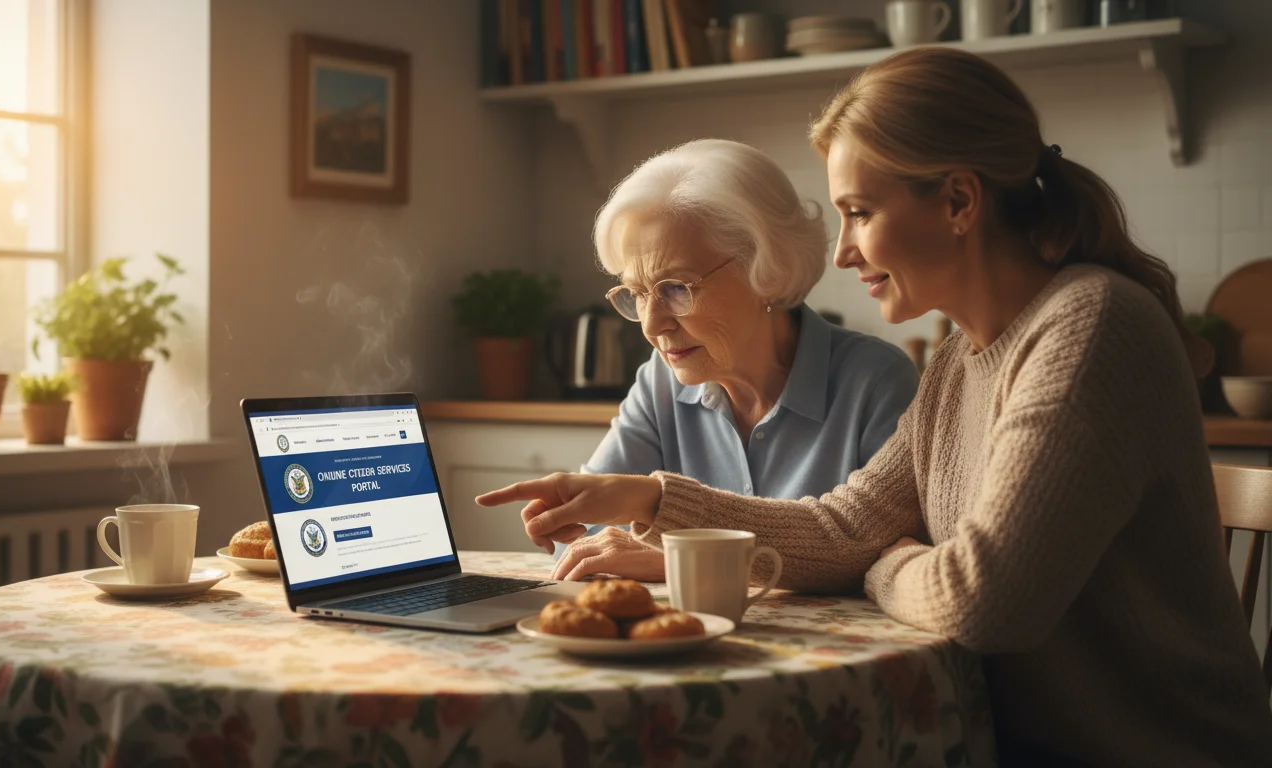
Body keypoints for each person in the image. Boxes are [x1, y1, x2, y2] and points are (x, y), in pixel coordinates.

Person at [481, 48, 1272, 765]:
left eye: (859, 212)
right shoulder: (964, 353)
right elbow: (847, 524)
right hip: (1004, 740)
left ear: (959, 200)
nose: (843, 251)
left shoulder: (1088, 327)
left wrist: (882, 564)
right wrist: (656, 498)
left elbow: (982, 603)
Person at [552, 138, 918, 582]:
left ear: (768, 270)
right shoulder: (660, 383)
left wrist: (684, 562)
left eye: (676, 288)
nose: (652, 326)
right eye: (637, 293)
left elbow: (889, 556)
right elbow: (582, 541)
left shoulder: (876, 382)